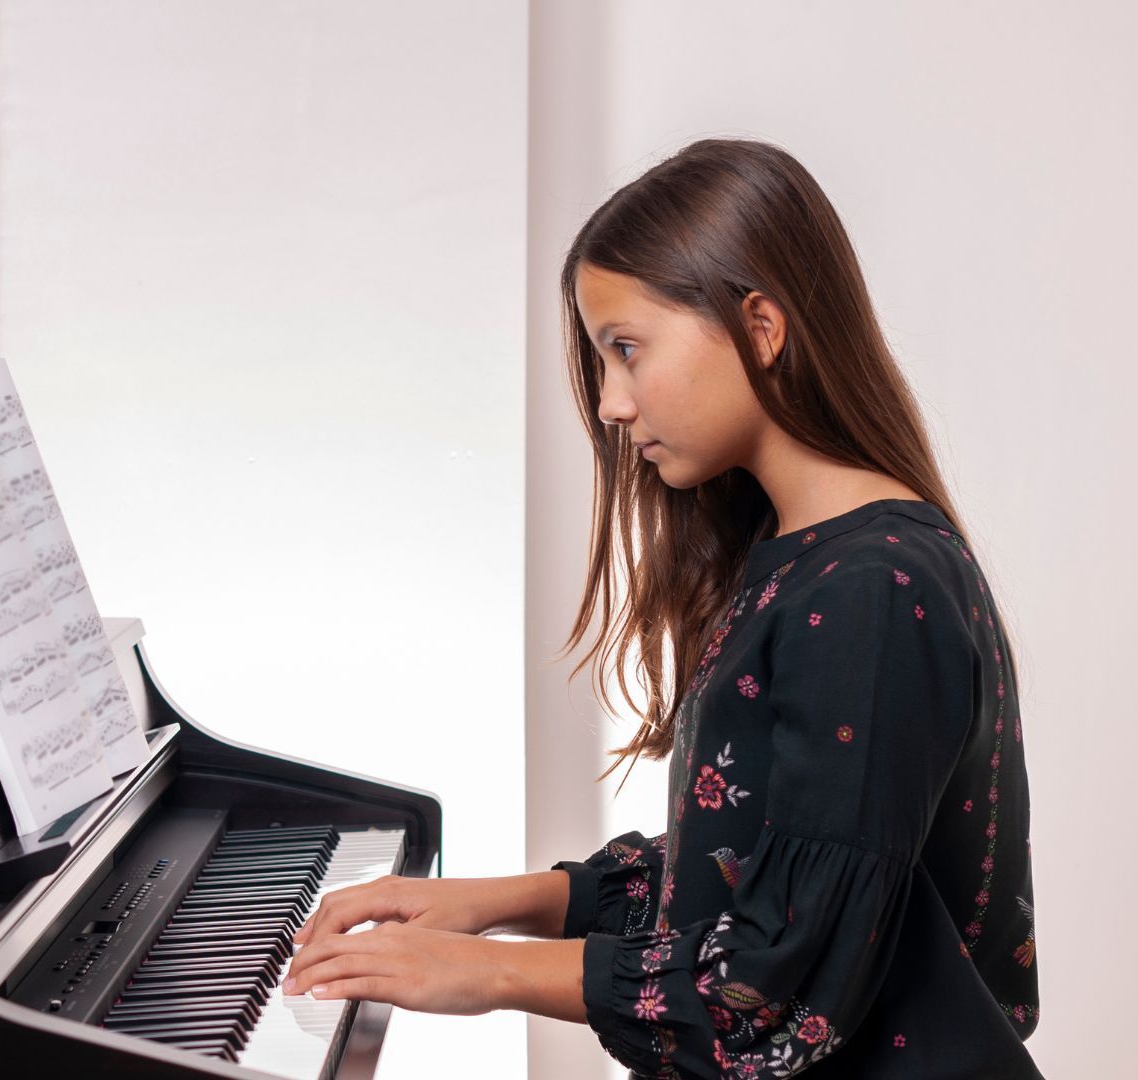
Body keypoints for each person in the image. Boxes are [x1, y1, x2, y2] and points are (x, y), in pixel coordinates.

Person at [280, 137, 1041, 1078]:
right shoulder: (812, 561)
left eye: (626, 351)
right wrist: (489, 903)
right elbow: (736, 875)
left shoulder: (870, 592)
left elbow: (771, 990)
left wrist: (484, 973)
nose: (609, 403)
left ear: (761, 327)